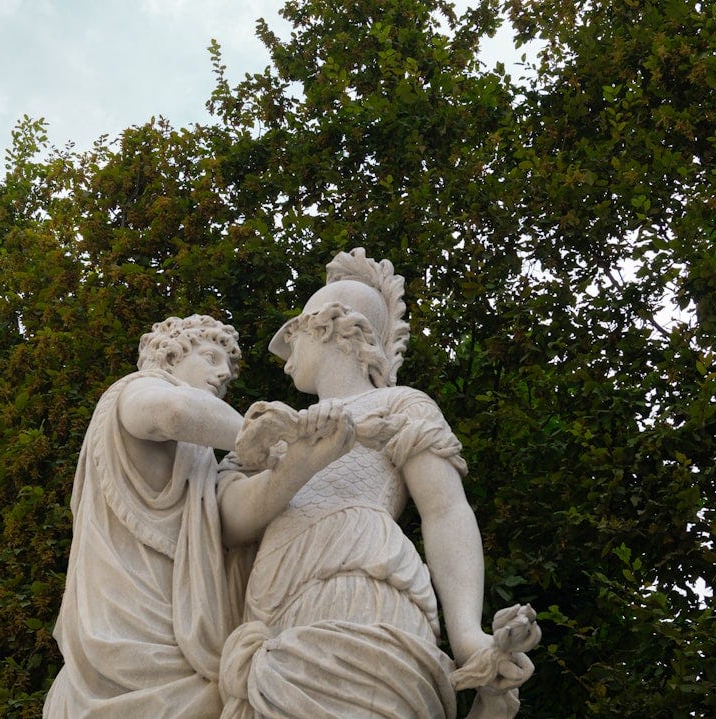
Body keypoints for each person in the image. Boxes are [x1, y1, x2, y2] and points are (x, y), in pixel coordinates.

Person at [216, 250, 538, 719]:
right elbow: (230, 523)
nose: (285, 362)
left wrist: (468, 636)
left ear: (326, 329)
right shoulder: (272, 430)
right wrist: (297, 465)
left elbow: (445, 511)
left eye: (293, 338)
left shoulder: (401, 404)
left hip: (363, 576)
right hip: (271, 603)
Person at [44, 315, 250, 719]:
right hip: (128, 632)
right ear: (169, 355)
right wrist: (273, 436)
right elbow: (173, 412)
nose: (222, 374)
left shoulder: (198, 452)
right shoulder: (138, 390)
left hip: (180, 627)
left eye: (227, 376)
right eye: (210, 357)